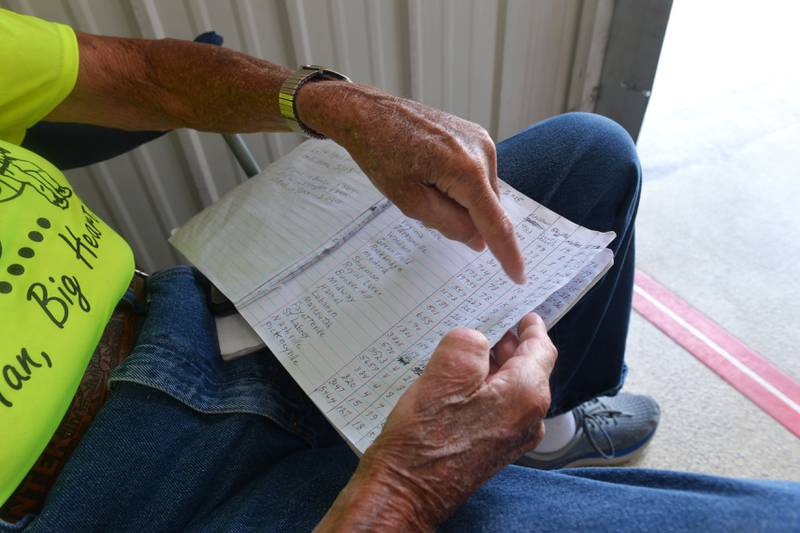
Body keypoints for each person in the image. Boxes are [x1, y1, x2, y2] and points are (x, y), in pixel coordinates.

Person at [0, 8, 796, 532]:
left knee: (592, 158)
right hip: (129, 499)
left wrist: (335, 106)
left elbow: (137, 74)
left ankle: (541, 434)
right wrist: (406, 492)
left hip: (188, 323)